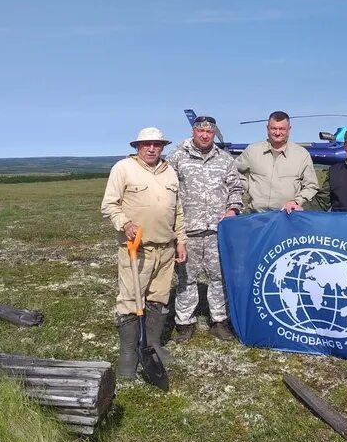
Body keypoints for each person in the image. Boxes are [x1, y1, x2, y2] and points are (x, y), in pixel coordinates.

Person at [101, 127, 187, 378]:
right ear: (137, 147)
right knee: (129, 300)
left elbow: (177, 210)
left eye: (157, 144)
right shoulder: (123, 168)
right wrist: (125, 224)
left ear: (162, 147)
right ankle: (128, 352)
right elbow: (109, 205)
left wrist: (180, 240)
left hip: (166, 248)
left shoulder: (170, 171)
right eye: (146, 144)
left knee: (159, 298)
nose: (152, 149)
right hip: (136, 248)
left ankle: (152, 344)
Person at [167, 115, 244, 343]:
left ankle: (219, 321)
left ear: (214, 134)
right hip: (187, 230)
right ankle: (185, 323)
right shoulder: (177, 158)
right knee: (186, 279)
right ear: (193, 132)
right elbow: (167, 190)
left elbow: (236, 188)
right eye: (200, 131)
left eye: (209, 132)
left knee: (219, 277)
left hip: (217, 230)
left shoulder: (225, 159)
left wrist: (232, 209)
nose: (204, 135)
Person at [235, 111, 319, 213]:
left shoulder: (301, 155)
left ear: (289, 130)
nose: (277, 133)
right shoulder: (253, 150)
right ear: (267, 128)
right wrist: (247, 186)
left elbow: (311, 185)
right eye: (274, 128)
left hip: (287, 216)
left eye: (282, 129)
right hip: (257, 217)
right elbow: (233, 171)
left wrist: (297, 202)